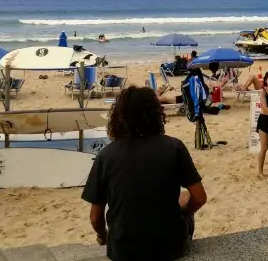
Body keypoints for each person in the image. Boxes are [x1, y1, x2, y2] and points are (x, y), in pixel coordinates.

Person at [82, 86, 207, 261]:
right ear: (157, 115)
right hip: (169, 247)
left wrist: (104, 236)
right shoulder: (174, 147)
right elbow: (200, 197)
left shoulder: (106, 156)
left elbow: (95, 218)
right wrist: (182, 212)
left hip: (123, 251)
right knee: (185, 196)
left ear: (118, 118)